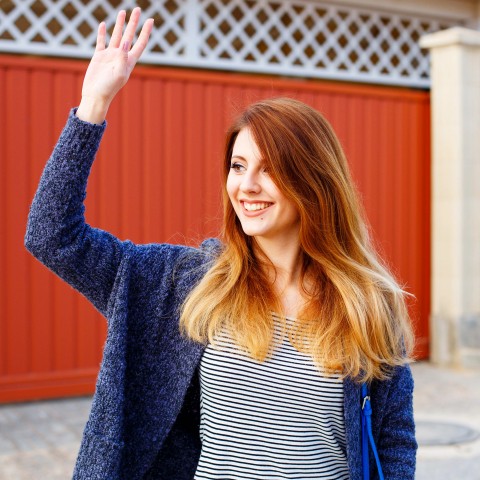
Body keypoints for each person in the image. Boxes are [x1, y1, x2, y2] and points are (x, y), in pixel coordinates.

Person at [25, 7, 417, 480]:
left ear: (313, 181)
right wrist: (92, 105)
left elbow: (393, 440)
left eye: (268, 168)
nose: (246, 185)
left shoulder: (366, 302)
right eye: (237, 166)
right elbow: (52, 237)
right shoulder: (185, 283)